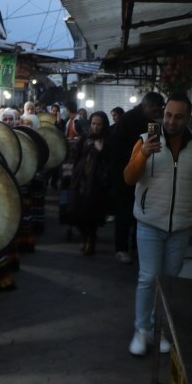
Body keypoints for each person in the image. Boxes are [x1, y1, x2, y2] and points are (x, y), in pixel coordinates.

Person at [124, 93, 192, 357]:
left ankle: (161, 329)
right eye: (168, 115)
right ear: (163, 115)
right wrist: (143, 155)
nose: (172, 121)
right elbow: (129, 178)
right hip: (150, 222)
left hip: (182, 226)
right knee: (148, 278)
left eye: (178, 116)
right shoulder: (144, 140)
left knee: (169, 281)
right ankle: (142, 330)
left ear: (188, 118)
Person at [108, 92, 165, 264]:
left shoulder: (151, 121)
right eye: (155, 109)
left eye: (160, 110)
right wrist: (137, 156)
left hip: (141, 173)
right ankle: (121, 248)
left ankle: (135, 246)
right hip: (124, 174)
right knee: (124, 213)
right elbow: (116, 146)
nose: (158, 112)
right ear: (146, 106)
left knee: (138, 212)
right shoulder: (130, 119)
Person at [69, 111, 111, 255]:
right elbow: (77, 155)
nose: (96, 127)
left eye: (99, 124)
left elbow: (111, 160)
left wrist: (101, 150)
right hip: (81, 179)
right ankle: (83, 237)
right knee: (78, 213)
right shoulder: (85, 137)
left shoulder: (107, 139)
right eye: (93, 123)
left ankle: (91, 239)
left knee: (92, 214)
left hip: (96, 183)